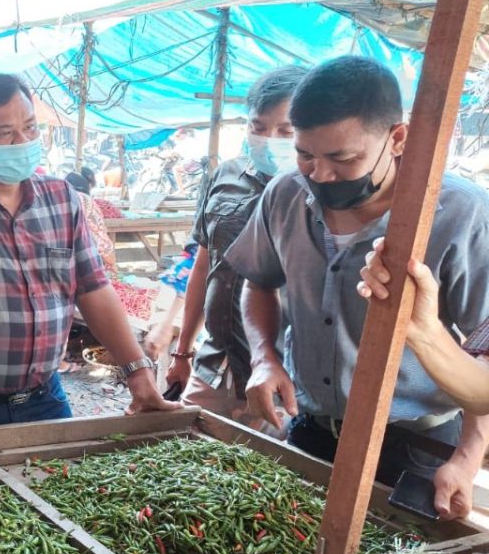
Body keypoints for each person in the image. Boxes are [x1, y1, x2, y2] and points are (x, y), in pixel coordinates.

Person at [228, 56, 489, 520]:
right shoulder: (285, 194)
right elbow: (258, 283)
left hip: (414, 446)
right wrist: (264, 358)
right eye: (306, 154)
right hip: (307, 428)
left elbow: (484, 356)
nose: (320, 174)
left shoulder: (462, 215)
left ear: (397, 137)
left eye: (342, 158)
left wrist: (466, 459)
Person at [0, 75, 178, 444]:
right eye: (6, 133)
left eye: (29, 128)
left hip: (47, 398)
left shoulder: (62, 198)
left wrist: (137, 373)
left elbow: (94, 290)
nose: (23, 142)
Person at [166, 66, 305, 430]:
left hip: (285, 378)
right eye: (257, 127)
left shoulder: (318, 190)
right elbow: (204, 265)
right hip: (216, 362)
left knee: (262, 476)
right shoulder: (225, 175)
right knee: (183, 451)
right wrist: (182, 351)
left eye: (285, 131)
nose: (269, 138)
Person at [359, 239, 489, 414]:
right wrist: (422, 332)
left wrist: (425, 334)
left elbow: (483, 396)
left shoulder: (470, 221)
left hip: (421, 426)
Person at [65, 170, 116, 274]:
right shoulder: (84, 199)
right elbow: (99, 236)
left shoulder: (55, 197)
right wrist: (111, 262)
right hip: (76, 262)